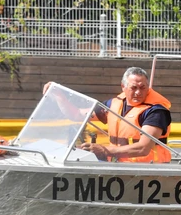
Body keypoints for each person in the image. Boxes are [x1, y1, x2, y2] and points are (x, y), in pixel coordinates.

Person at [45, 66, 173, 163]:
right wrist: (59, 96)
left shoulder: (155, 111)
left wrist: (104, 150)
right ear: (123, 86)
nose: (138, 92)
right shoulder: (113, 105)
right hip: (119, 167)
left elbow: (143, 148)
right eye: (134, 88)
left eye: (143, 87)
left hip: (149, 170)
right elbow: (77, 114)